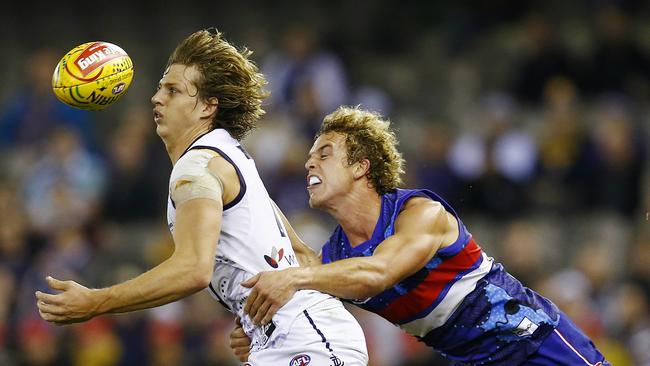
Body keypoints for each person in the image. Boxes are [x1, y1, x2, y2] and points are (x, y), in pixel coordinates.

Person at [35, 28, 368, 366]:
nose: (156, 98)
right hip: (305, 336)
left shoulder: (197, 166)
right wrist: (256, 322)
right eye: (161, 88)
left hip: (307, 340)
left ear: (208, 106)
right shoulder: (231, 157)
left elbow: (193, 270)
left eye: (173, 90)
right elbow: (302, 255)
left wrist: (96, 301)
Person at [233, 106, 610, 365]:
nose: (309, 162)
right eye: (310, 156)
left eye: (325, 153)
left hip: (539, 346)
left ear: (362, 167)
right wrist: (262, 332)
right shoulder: (333, 260)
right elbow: (295, 257)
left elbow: (377, 272)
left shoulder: (421, 214)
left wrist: (294, 278)